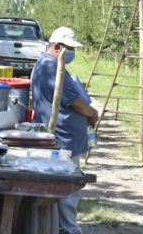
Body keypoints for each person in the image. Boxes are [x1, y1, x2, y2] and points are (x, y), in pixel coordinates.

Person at [31, 26, 98, 234]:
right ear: (58, 47)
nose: (72, 53)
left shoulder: (45, 63)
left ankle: (63, 226)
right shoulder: (52, 67)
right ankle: (69, 229)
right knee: (68, 185)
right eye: (70, 49)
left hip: (62, 134)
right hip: (64, 137)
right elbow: (77, 103)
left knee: (63, 183)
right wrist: (92, 113)